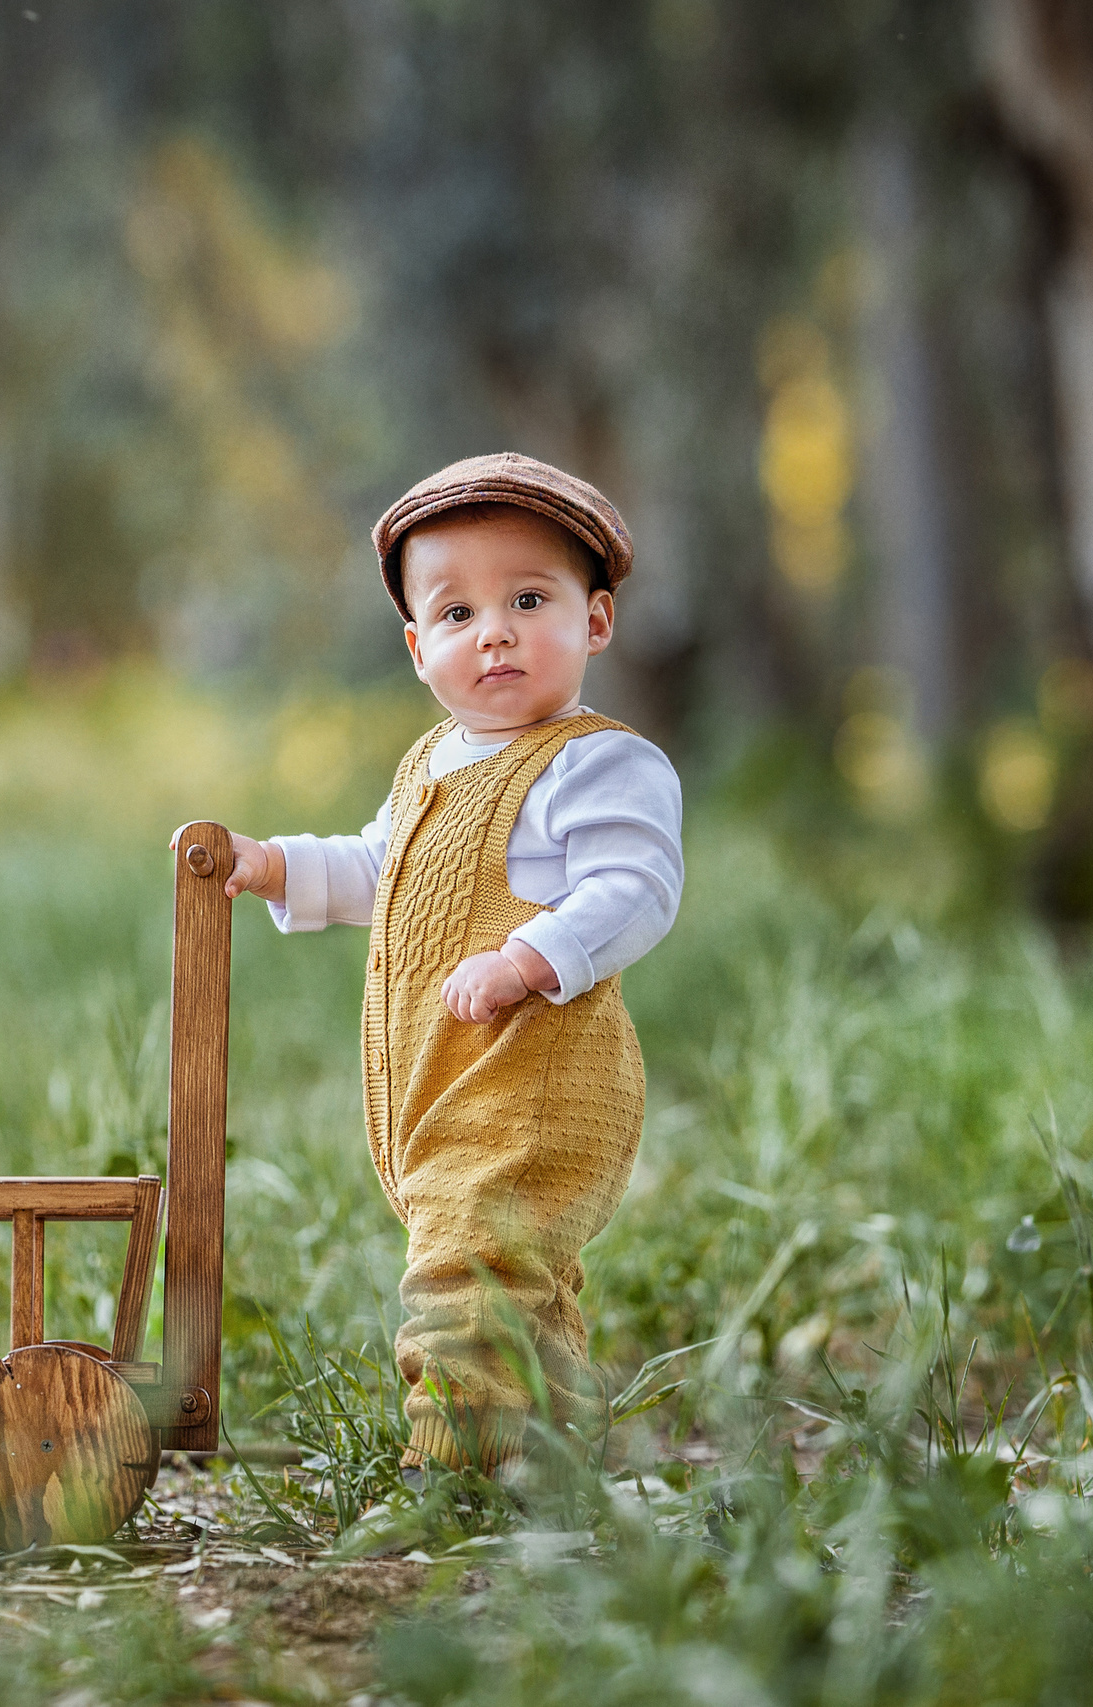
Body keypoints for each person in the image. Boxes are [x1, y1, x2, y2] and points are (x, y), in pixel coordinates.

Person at [204, 451, 683, 1474]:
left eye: (527, 598)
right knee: (514, 1276)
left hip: (534, 1085)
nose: (495, 631)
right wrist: (275, 865)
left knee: (465, 1270)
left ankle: (453, 1469)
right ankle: (544, 1452)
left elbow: (636, 888)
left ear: (594, 620)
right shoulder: (430, 762)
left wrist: (529, 955)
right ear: (420, 647)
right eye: (458, 614)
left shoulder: (595, 761)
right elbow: (381, 867)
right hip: (443, 1089)